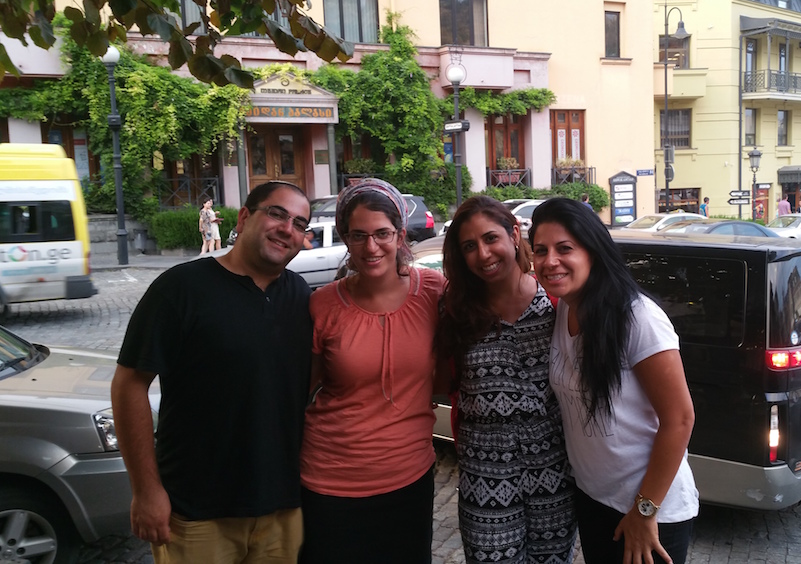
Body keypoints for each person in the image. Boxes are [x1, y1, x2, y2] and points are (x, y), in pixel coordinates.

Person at [111, 181, 314, 563]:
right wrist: (146, 489)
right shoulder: (181, 288)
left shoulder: (301, 296)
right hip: (196, 512)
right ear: (244, 217)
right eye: (276, 213)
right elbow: (129, 386)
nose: (288, 228)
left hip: (283, 509)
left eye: (300, 223)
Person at [530, 198, 698, 564]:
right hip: (593, 500)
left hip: (648, 511)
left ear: (593, 250)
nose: (550, 261)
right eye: (540, 250)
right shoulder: (566, 309)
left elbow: (680, 419)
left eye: (564, 249)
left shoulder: (637, 318)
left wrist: (644, 511)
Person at [300, 179, 444, 563]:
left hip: (408, 478)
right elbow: (301, 390)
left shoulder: (433, 290)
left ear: (400, 235)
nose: (371, 246)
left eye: (382, 233)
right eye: (358, 235)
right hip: (329, 481)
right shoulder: (323, 304)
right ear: (346, 240)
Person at [435, 196, 577, 563]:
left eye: (490, 238)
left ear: (514, 234)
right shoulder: (455, 309)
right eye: (469, 246)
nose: (483, 254)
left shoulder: (557, 304)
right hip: (485, 476)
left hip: (555, 474)